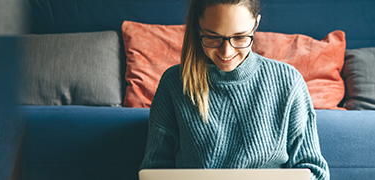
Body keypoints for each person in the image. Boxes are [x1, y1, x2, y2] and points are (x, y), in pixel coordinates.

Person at [140, 0, 330, 179]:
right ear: (197, 27)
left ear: (255, 25)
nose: (226, 52)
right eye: (213, 37)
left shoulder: (288, 81)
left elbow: (314, 170)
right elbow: (156, 167)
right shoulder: (174, 83)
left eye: (240, 37)